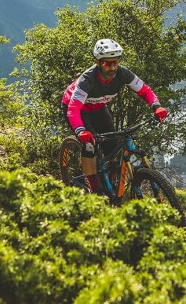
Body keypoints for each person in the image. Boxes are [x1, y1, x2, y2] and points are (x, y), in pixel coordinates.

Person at [62, 38, 168, 194]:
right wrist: (80, 131)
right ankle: (94, 188)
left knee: (112, 146)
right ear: (97, 62)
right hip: (77, 109)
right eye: (107, 63)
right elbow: (73, 108)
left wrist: (156, 107)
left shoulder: (123, 74)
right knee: (89, 145)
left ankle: (111, 185)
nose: (112, 67)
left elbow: (145, 90)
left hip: (98, 107)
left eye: (115, 62)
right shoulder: (87, 80)